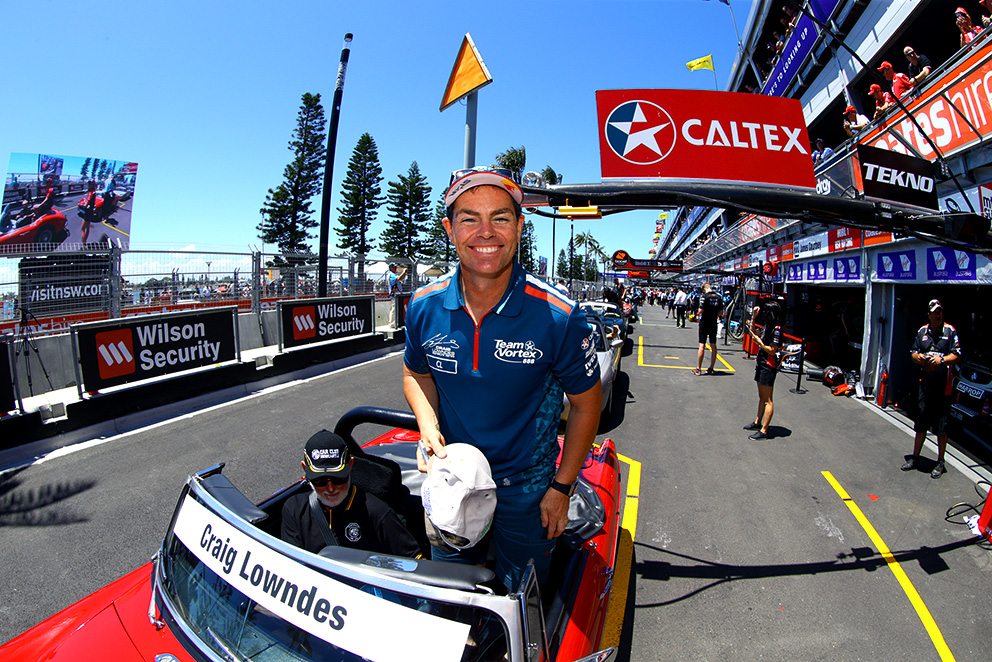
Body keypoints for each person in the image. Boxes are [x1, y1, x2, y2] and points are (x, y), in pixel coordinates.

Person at [402, 168, 602, 591]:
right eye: (469, 218)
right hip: (452, 479)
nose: (486, 232)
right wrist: (427, 425)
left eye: (500, 218)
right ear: (450, 230)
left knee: (523, 602)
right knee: (450, 595)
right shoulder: (422, 305)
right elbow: (415, 374)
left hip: (529, 492)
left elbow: (587, 404)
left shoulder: (559, 315)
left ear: (520, 226)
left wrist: (562, 487)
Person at [281, 430, 423, 557]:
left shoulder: (378, 512)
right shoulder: (294, 510)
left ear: (351, 466)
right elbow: (290, 564)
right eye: (320, 481)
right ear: (305, 469)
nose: (330, 489)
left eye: (338, 479)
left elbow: (416, 562)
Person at [901, 300, 961, 478]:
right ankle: (915, 457)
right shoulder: (922, 331)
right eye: (935, 312)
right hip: (925, 386)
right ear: (929, 315)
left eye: (940, 312)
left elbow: (957, 354)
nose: (938, 315)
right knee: (921, 422)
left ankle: (940, 461)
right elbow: (912, 352)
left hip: (943, 388)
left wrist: (941, 360)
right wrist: (918, 357)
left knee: (941, 427)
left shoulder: (950, 331)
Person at [744, 299, 784, 440]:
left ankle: (764, 430)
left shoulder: (777, 330)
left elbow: (772, 350)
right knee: (761, 397)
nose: (764, 314)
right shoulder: (768, 326)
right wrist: (753, 318)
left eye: (766, 312)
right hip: (761, 362)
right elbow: (753, 332)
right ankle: (757, 422)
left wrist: (760, 343)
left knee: (768, 400)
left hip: (768, 365)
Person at [694, 283, 725, 376]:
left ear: (704, 289)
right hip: (713, 322)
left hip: (704, 322)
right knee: (713, 345)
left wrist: (698, 312)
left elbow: (701, 310)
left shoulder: (704, 297)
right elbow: (721, 312)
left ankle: (698, 369)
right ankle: (711, 368)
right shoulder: (718, 297)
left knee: (702, 345)